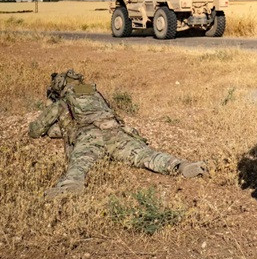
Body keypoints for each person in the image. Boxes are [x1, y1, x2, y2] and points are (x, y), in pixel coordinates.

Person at [29, 70, 206, 199]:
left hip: (89, 136)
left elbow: (36, 130)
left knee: (80, 164)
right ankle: (181, 165)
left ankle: (71, 185)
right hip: (115, 132)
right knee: (145, 155)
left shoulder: (62, 102)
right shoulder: (94, 94)